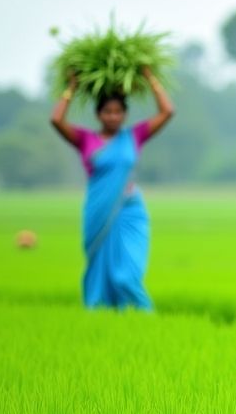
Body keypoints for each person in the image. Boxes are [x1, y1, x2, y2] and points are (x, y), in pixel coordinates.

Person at [49, 67, 173, 310]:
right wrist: (71, 87)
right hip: (98, 211)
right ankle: (104, 320)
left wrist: (150, 78)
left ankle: (147, 321)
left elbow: (168, 111)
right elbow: (56, 120)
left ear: (125, 114)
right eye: (107, 111)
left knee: (126, 276)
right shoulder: (85, 139)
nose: (113, 116)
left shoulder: (133, 136)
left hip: (130, 212)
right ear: (98, 115)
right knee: (100, 276)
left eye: (118, 112)